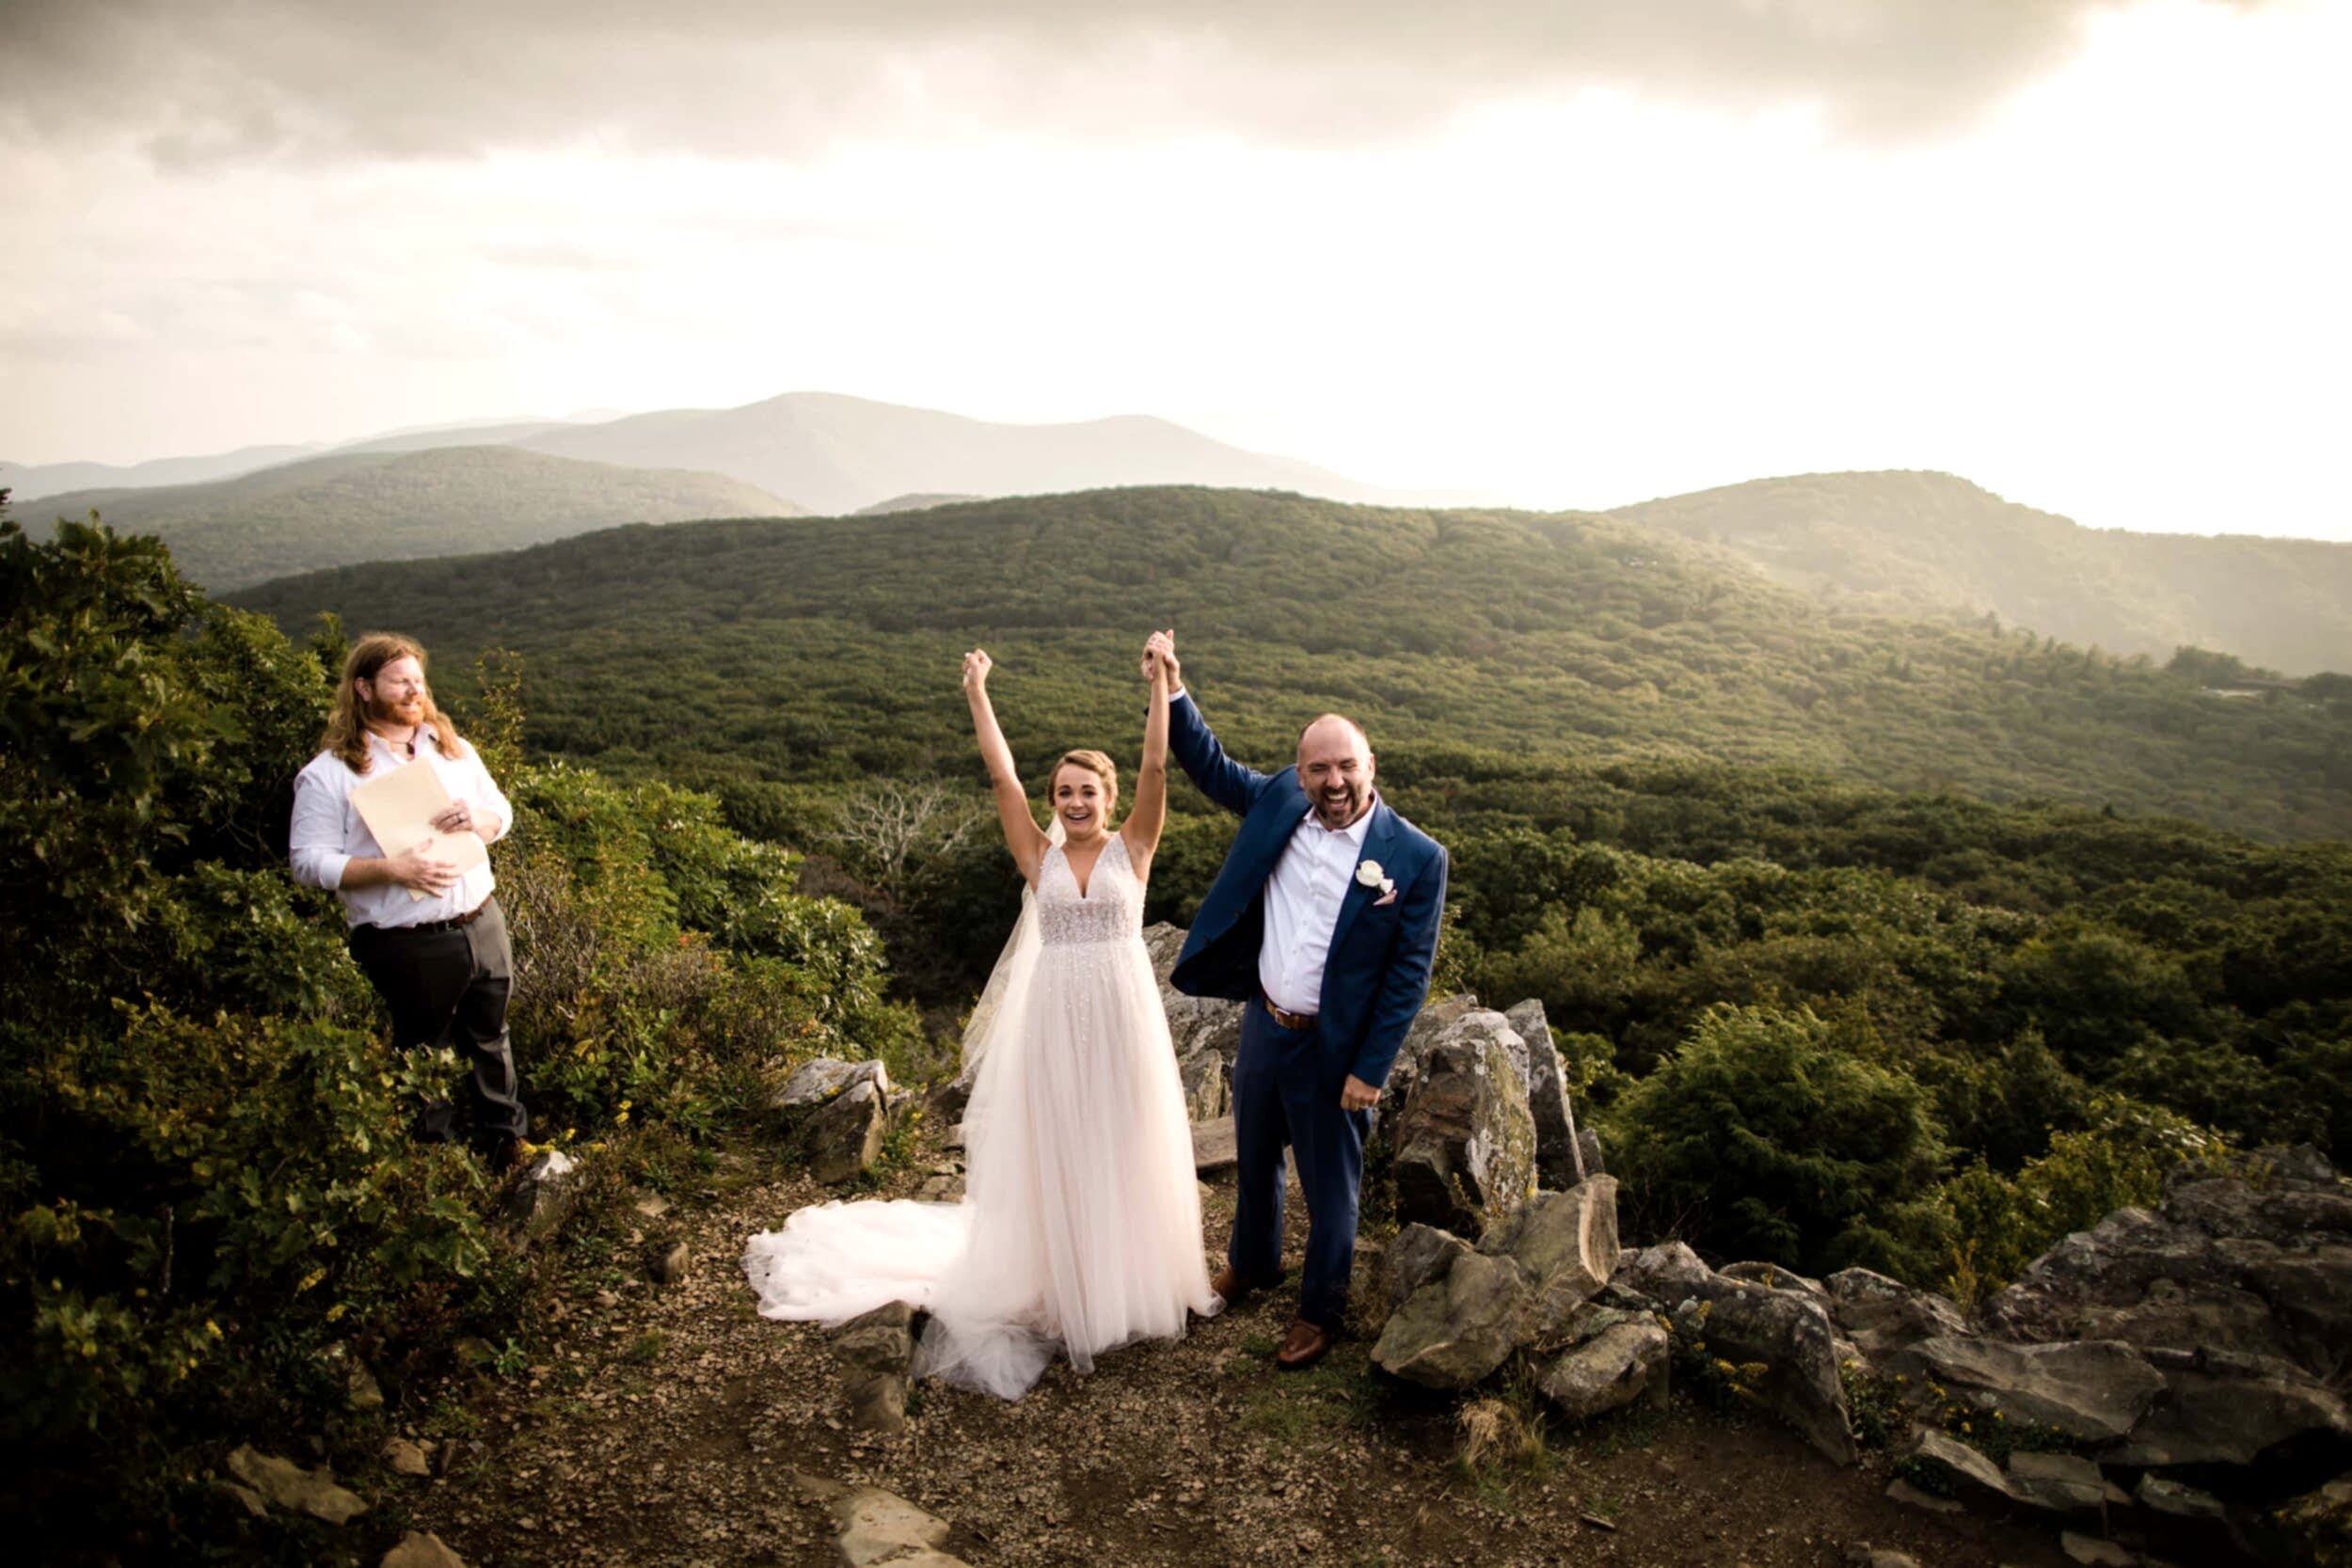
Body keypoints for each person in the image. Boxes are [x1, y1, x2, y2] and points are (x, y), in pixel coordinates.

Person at [740, 644, 1217, 1399]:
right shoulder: (1039, 857)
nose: (1073, 803)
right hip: (1055, 1020)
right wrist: (977, 693)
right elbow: (1000, 775)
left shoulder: (1136, 847)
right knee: (1061, 1144)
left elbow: (1158, 768)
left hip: (1125, 1020)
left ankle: (1124, 1281)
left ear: (1109, 794)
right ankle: (1060, 1286)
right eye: (1063, 792)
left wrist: (1164, 684)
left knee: (1122, 1139)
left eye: (1086, 791)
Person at [1148, 629, 1447, 1370]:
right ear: (1303, 771)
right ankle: (1253, 1263)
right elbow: (1211, 768)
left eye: (1346, 765)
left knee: (1330, 1188)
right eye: (1320, 768)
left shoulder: (1415, 858)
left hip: (1334, 1047)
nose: (1333, 780)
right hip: (1265, 1026)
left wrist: (1370, 1068)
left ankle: (1319, 1312)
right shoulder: (1282, 798)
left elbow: (1409, 973)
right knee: (1254, 1159)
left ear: (1371, 766)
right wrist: (1173, 688)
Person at [288, 633, 527, 1168]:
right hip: (407, 941)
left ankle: (507, 1146)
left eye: (418, 680)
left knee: (492, 1038)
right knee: (425, 1054)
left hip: (483, 920)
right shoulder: (330, 775)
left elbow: (500, 812)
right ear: (364, 688)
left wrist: (479, 820)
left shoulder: (453, 750)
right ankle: (433, 1171)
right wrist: (392, 869)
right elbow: (307, 862)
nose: (414, 690)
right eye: (400, 681)